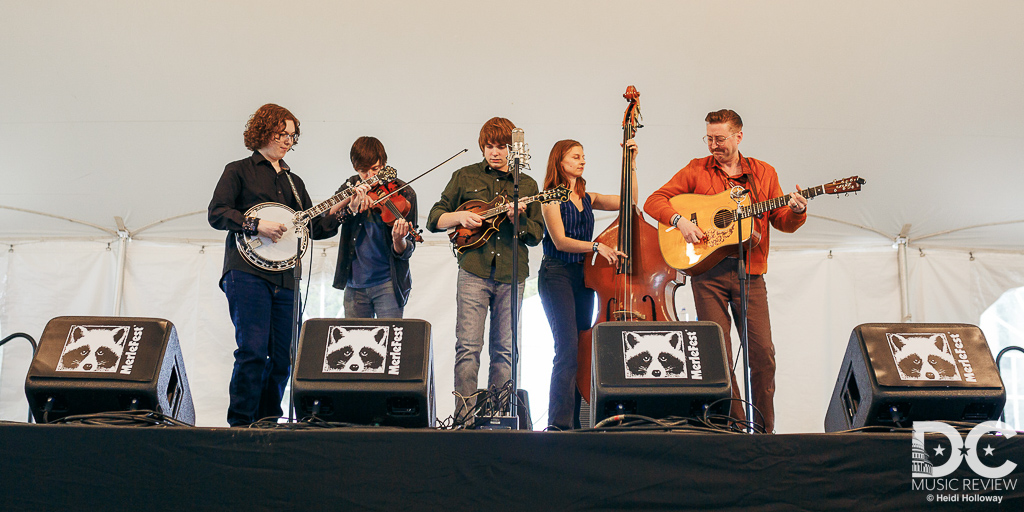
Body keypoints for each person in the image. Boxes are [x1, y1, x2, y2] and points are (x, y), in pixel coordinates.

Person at [643, 109, 807, 433]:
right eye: (709, 138)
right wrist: (681, 222)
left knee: (763, 353)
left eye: (719, 139)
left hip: (751, 273)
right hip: (708, 276)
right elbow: (654, 201)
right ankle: (731, 426)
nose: (713, 145)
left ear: (738, 136)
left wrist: (798, 212)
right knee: (718, 354)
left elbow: (782, 221)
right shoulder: (696, 169)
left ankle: (762, 432)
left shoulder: (764, 173)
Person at [208, 103, 347, 426]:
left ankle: (268, 422)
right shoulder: (238, 170)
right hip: (246, 273)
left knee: (284, 358)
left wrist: (341, 210)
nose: (287, 141)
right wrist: (256, 225)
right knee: (253, 350)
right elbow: (217, 213)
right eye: (281, 134)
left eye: (292, 136)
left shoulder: (294, 182)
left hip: (286, 278)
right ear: (263, 131)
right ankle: (241, 424)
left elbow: (315, 228)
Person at [426, 117, 544, 419]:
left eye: (502, 146)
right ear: (483, 147)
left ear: (512, 149)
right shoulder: (464, 176)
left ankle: (499, 417)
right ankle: (463, 419)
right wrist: (459, 218)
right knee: (468, 347)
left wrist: (517, 218)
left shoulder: (527, 185)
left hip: (512, 274)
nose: (495, 152)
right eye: (489, 146)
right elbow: (434, 218)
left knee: (505, 350)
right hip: (473, 271)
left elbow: (536, 235)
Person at [538, 139, 632, 430]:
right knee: (565, 348)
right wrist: (595, 247)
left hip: (583, 277)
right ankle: (558, 424)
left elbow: (630, 200)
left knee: (581, 348)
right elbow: (560, 241)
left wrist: (630, 162)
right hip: (556, 274)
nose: (582, 161)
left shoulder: (588, 197)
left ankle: (576, 424)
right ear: (560, 161)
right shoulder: (549, 198)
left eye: (583, 157)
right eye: (575, 157)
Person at [332, 136, 417, 318]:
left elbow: (408, 250)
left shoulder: (404, 192)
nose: (370, 177)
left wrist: (398, 239)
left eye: (376, 169)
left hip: (388, 283)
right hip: (354, 284)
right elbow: (327, 220)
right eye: (363, 171)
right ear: (355, 168)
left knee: (390, 342)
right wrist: (351, 207)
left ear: (384, 164)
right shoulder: (350, 186)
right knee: (354, 343)